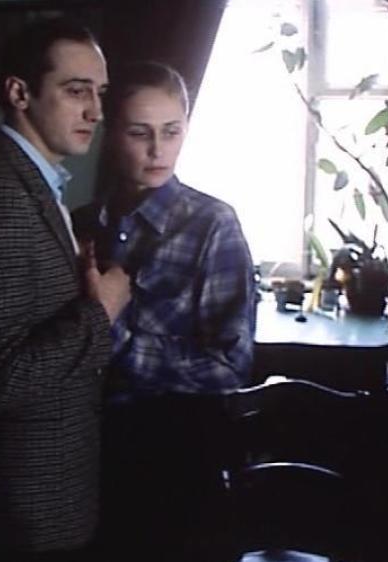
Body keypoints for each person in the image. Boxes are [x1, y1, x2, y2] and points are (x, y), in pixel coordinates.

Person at [0, 17, 131, 561]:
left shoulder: (26, 178)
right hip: (20, 503)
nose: (96, 112)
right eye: (76, 91)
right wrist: (101, 312)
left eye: (100, 93)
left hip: (38, 492)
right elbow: (1, 376)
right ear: (19, 93)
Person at [72, 61, 256, 559]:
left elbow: (230, 364)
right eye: (140, 133)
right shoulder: (81, 225)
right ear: (111, 132)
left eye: (171, 131)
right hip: (85, 453)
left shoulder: (213, 225)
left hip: (176, 457)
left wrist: (115, 335)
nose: (158, 150)